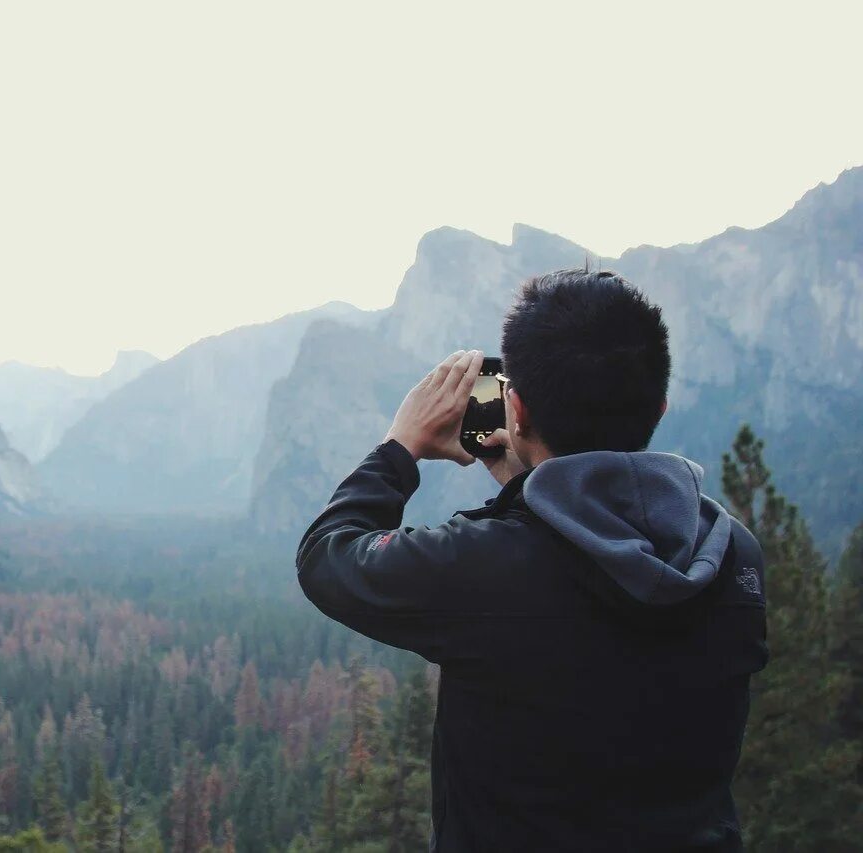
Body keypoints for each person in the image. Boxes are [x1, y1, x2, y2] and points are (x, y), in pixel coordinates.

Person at [296, 269, 768, 852]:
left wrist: (402, 446)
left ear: (514, 408)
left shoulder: (482, 567)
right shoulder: (730, 552)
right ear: (661, 405)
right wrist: (529, 486)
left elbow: (328, 556)